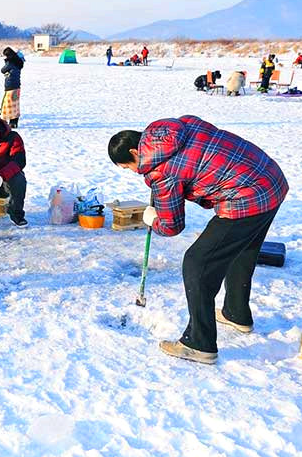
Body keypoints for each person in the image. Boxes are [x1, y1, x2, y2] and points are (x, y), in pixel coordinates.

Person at [108, 115, 288, 364]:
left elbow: (172, 226)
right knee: (241, 249)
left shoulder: (162, 172)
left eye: (128, 166)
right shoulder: (178, 127)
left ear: (133, 152)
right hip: (270, 179)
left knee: (197, 263)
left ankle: (199, 343)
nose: (133, 172)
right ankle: (236, 313)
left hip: (247, 197)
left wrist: (152, 219)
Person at [0, 46, 24, 129]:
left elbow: (2, 70)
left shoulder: (10, 62)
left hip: (10, 85)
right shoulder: (18, 61)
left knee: (7, 104)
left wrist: (6, 62)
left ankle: (4, 120)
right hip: (17, 85)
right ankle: (14, 122)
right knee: (15, 104)